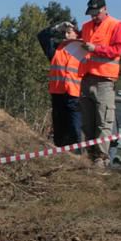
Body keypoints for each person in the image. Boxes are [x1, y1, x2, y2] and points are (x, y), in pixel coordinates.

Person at [78, 0, 121, 168]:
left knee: (104, 122)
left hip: (105, 81)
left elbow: (117, 50)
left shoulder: (116, 24)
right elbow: (79, 43)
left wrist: (96, 49)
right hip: (86, 79)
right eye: (91, 13)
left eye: (96, 13)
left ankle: (101, 158)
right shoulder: (85, 27)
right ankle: (90, 158)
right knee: (88, 123)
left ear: (104, 9)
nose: (94, 16)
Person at [37, 21, 83, 149]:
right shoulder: (56, 49)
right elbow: (42, 36)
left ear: (77, 34)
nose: (66, 35)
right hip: (58, 94)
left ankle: (77, 155)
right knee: (59, 130)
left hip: (75, 96)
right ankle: (60, 153)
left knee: (75, 129)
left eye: (69, 32)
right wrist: (57, 28)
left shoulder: (83, 49)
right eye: (64, 32)